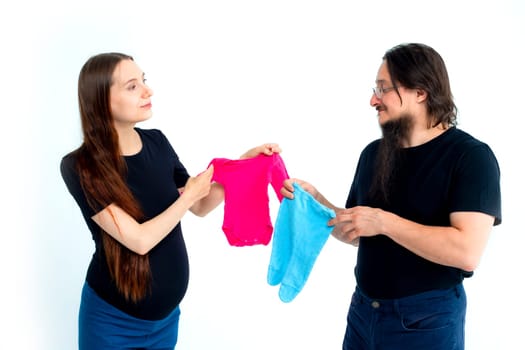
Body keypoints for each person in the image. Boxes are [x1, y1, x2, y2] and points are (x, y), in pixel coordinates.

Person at [281, 43, 501, 350]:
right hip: (363, 313)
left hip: (425, 321)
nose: (373, 100)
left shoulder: (470, 157)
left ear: (420, 92)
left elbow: (466, 252)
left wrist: (384, 222)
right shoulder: (373, 154)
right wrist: (317, 201)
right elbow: (358, 233)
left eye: (384, 89)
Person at [60, 52, 280, 350]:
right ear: (101, 99)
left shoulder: (157, 142)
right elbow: (138, 240)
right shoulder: (80, 166)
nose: (147, 91)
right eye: (132, 86)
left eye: (144, 81)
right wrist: (187, 195)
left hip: (166, 323)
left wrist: (242, 165)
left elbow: (199, 206)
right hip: (112, 324)